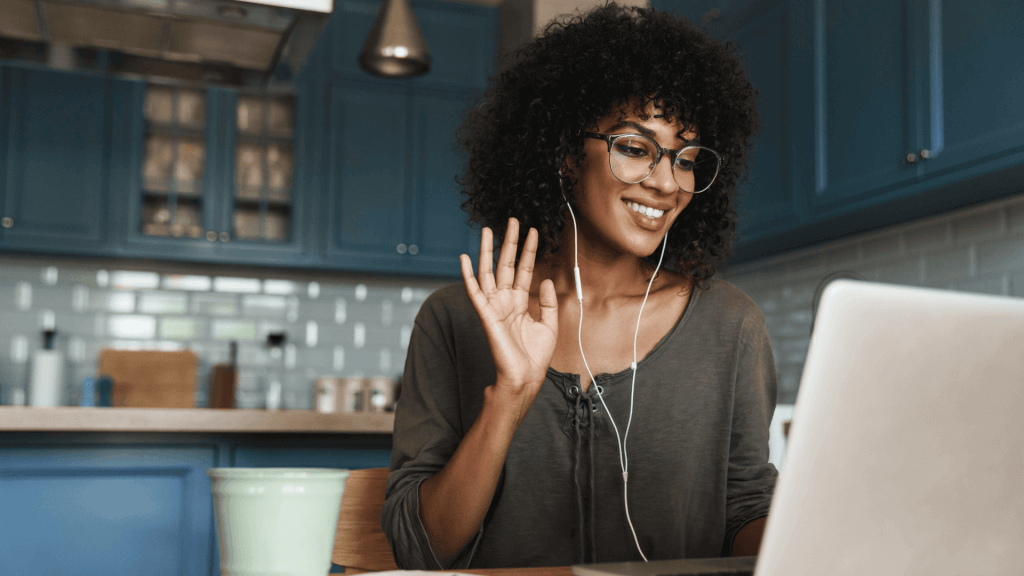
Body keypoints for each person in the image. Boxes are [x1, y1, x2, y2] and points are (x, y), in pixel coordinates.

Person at [381, 3, 777, 570]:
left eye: (687, 159)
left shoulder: (730, 326)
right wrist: (509, 399)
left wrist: (818, 529)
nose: (667, 183)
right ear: (568, 154)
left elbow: (745, 514)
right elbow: (420, 549)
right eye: (636, 148)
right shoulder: (455, 319)